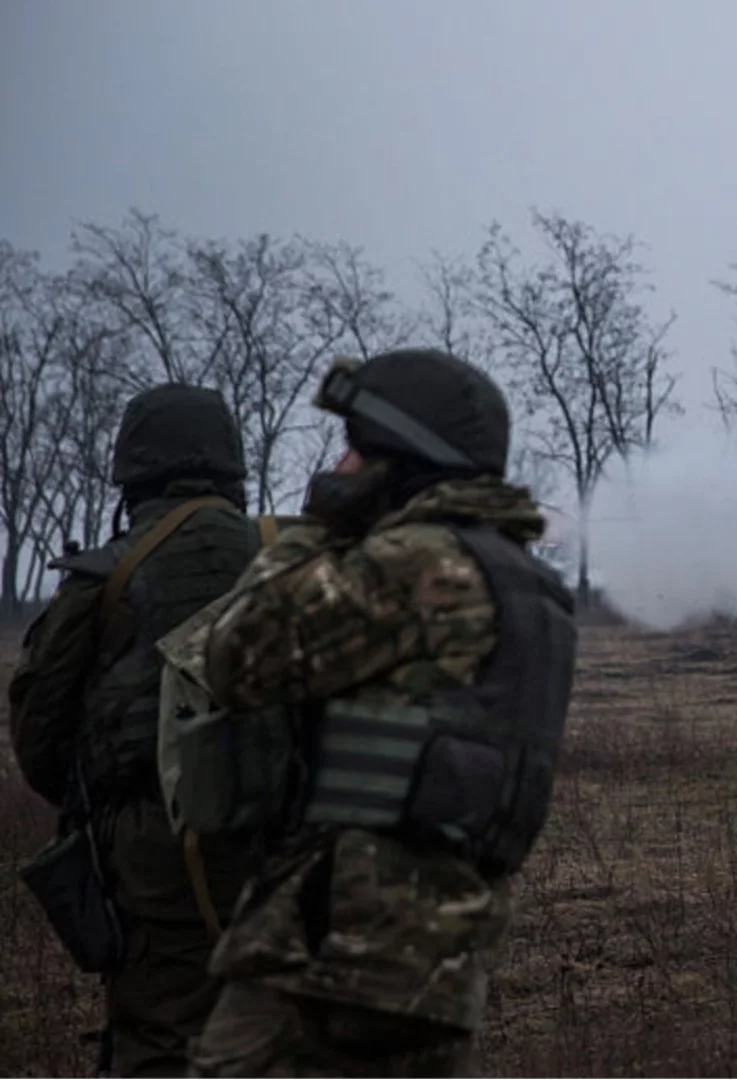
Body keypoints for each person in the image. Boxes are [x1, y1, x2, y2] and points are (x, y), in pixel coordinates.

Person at [179, 348, 578, 1077]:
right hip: (440, 956)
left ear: (403, 455)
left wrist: (320, 520)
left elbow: (236, 653)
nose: (343, 461)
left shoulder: (420, 563)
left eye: (357, 447)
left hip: (328, 950)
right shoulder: (529, 584)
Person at [8, 385, 265, 1076]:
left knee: (161, 1040)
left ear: (132, 473)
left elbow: (40, 743)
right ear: (232, 469)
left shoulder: (106, 577)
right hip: (294, 848)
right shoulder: (291, 556)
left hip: (158, 860)